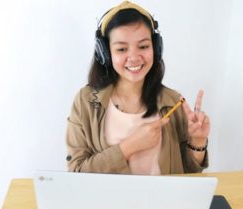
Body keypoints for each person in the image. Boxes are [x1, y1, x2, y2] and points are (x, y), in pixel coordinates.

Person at [66, 1, 210, 175]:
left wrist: (198, 141)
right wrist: (129, 147)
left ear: (156, 48)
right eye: (121, 49)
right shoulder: (85, 102)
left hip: (163, 202)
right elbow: (76, 172)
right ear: (105, 53)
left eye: (143, 46)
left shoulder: (173, 102)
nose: (134, 57)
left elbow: (189, 174)